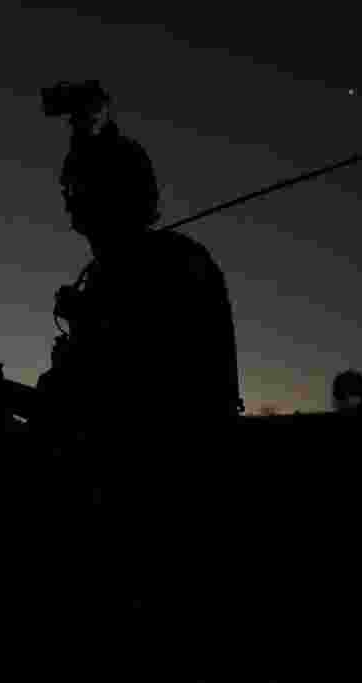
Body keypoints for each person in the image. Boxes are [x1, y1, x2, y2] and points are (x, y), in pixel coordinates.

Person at [39, 81, 242, 441]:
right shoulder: (115, 270)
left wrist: (86, 325)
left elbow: (147, 381)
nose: (68, 202)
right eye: (68, 189)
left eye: (76, 188)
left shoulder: (174, 264)